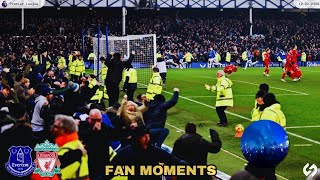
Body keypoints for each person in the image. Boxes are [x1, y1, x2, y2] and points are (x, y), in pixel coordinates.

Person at [110, 126, 186, 180]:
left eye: (148, 136)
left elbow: (171, 159)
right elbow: (111, 169)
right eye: (144, 137)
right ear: (137, 138)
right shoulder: (127, 151)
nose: (147, 139)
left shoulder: (154, 150)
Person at [52, 115, 89, 180]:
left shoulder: (69, 148)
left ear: (66, 130)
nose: (52, 129)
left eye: (56, 127)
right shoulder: (72, 144)